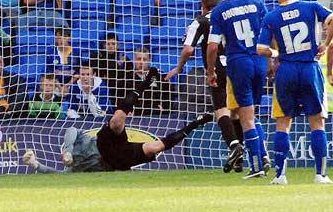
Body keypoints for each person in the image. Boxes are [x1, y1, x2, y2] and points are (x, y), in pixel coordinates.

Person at [22, 67, 214, 173]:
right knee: (156, 147)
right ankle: (197, 122)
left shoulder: (76, 146)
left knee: (116, 121)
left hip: (105, 145)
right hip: (113, 163)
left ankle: (145, 82)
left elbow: (71, 130)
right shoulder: (75, 169)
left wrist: (68, 151)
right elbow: (58, 177)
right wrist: (35, 165)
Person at [257, 0, 333, 185]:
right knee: (317, 122)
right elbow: (332, 19)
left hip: (286, 70)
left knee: (283, 122)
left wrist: (276, 53)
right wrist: (325, 44)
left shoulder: (271, 16)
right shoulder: (311, 7)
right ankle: (320, 175)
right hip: (309, 67)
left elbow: (260, 49)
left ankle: (280, 175)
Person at [165, 0, 244, 173]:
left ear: (203, 6)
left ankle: (234, 146)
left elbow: (188, 50)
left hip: (218, 69)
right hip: (238, 66)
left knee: (221, 111)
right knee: (237, 111)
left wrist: (178, 68)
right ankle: (240, 158)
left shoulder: (200, 21)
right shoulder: (230, 17)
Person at [207, 0, 269, 179]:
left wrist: (210, 72)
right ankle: (264, 156)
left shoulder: (219, 10)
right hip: (259, 59)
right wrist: (272, 59)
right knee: (253, 114)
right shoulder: (256, 2)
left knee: (246, 118)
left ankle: (256, 166)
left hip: (239, 61)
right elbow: (269, 31)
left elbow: (213, 46)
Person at [119, 47, 174, 116]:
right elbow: (121, 97)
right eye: (138, 59)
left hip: (155, 114)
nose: (141, 62)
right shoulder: (126, 78)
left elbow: (168, 95)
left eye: (144, 59)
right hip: (134, 115)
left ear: (149, 60)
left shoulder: (159, 76)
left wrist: (164, 107)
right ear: (134, 60)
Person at [92, 32, 133, 106]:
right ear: (104, 45)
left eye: (113, 44)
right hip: (103, 87)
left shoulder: (122, 57)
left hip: (120, 88)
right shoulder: (98, 56)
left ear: (118, 45)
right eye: (108, 44)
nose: (111, 46)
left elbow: (130, 73)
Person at [46, 28, 79, 98]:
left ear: (69, 38)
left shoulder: (76, 52)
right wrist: (60, 87)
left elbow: (78, 72)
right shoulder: (51, 53)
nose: (61, 40)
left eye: (63, 37)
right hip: (56, 85)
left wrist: (67, 85)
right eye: (58, 38)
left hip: (73, 84)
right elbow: (50, 73)